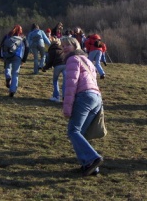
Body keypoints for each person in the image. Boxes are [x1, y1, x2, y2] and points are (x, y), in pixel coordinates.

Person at [61, 36, 104, 176]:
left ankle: (92, 158)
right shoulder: (87, 60)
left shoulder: (72, 60)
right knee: (82, 133)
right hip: (96, 97)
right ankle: (90, 166)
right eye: (63, 45)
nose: (65, 47)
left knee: (73, 130)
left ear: (75, 46)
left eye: (68, 45)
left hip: (84, 97)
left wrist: (67, 107)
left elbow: (71, 84)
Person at [0, 25, 29, 97]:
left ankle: (8, 77)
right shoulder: (23, 38)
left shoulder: (7, 36)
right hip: (17, 56)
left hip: (7, 55)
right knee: (15, 73)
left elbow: (1, 46)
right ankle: (12, 90)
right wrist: (24, 60)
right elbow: (27, 48)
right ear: (20, 31)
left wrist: (0, 56)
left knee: (7, 67)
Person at [42, 36, 66, 102]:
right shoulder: (63, 49)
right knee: (65, 81)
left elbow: (50, 61)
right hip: (65, 65)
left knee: (55, 80)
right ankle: (64, 96)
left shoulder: (51, 50)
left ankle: (56, 96)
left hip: (57, 66)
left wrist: (45, 68)